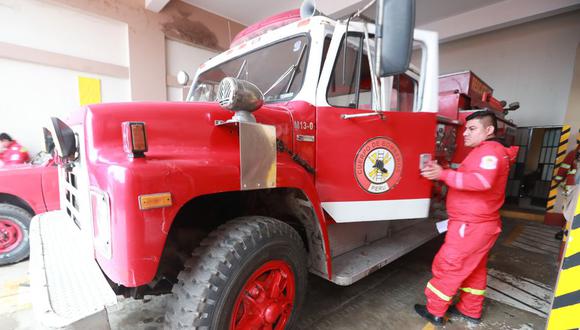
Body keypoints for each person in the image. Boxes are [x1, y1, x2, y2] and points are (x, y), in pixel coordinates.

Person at [414, 110, 519, 326]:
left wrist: (442, 175)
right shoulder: (486, 151)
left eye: (472, 129)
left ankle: (434, 310)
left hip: (470, 226)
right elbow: (471, 177)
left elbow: (481, 182)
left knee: (449, 266)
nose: (465, 134)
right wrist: (444, 172)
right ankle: (470, 310)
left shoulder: (490, 151)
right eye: (465, 129)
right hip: (479, 226)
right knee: (474, 270)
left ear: (489, 130)